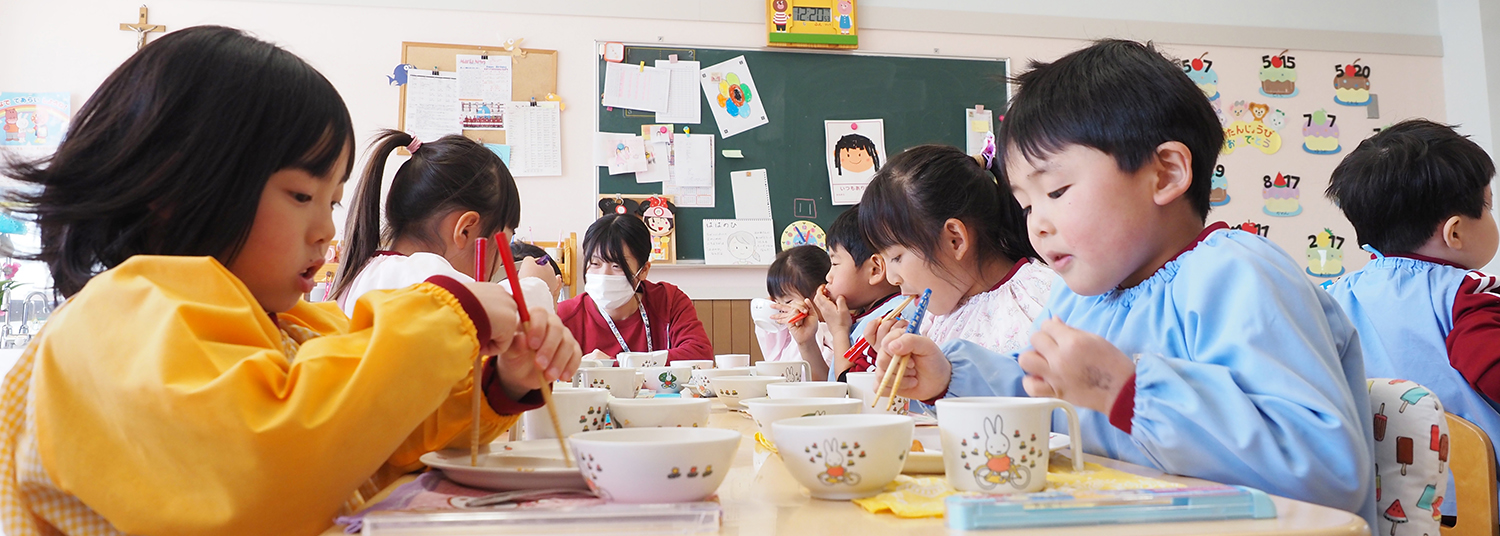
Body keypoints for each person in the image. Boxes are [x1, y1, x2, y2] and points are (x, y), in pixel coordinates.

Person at [0, 26, 580, 535]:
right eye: (302, 196)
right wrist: (450, 311)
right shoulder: (116, 323)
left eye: (332, 200)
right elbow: (263, 472)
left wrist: (498, 383)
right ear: (173, 188)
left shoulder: (290, 326)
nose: (326, 230)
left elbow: (369, 433)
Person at [872, 39, 1375, 526]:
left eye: (1057, 189)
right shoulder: (1079, 299)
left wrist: (1127, 391)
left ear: (1165, 174)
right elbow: (1043, 405)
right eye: (1027, 204)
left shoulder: (1239, 276)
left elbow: (1327, 471)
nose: (1037, 224)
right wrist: (949, 376)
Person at [1323, 119, 1500, 518]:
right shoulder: (1465, 294)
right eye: (1487, 206)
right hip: (1474, 501)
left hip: (1380, 503)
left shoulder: (1331, 296)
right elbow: (1492, 368)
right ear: (1455, 232)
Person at [858, 144, 1052, 354]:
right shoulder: (933, 320)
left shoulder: (1042, 299)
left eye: (896, 257)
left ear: (955, 240)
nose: (892, 279)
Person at [334, 130, 552, 317]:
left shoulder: (370, 272)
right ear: (465, 230)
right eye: (503, 244)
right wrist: (535, 285)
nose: (498, 267)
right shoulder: (427, 279)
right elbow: (498, 321)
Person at [557, 214, 712, 363]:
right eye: (595, 264)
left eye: (617, 266)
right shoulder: (565, 316)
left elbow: (699, 354)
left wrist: (616, 365)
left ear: (643, 270)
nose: (604, 274)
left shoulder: (668, 301)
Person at [812, 205, 909, 380]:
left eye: (834, 263)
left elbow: (848, 386)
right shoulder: (865, 316)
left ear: (875, 270)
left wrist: (839, 330)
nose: (828, 276)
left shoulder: (891, 319)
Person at [757, 245, 836, 381]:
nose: (780, 307)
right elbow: (774, 362)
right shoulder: (788, 335)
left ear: (821, 293)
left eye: (787, 301)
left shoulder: (833, 335)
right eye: (776, 300)